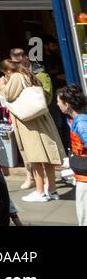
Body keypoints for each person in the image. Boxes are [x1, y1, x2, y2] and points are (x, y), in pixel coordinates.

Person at [0, 58, 64, 202]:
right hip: (41, 119)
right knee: (46, 158)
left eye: (4, 73)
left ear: (8, 70)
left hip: (30, 122)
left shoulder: (16, 77)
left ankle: (40, 192)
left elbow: (8, 95)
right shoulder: (30, 75)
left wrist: (1, 85)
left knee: (36, 158)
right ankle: (52, 189)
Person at [56, 85, 87, 225]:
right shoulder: (77, 120)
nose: (57, 104)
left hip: (85, 179)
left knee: (84, 214)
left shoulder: (81, 123)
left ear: (67, 104)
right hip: (82, 175)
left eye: (59, 101)